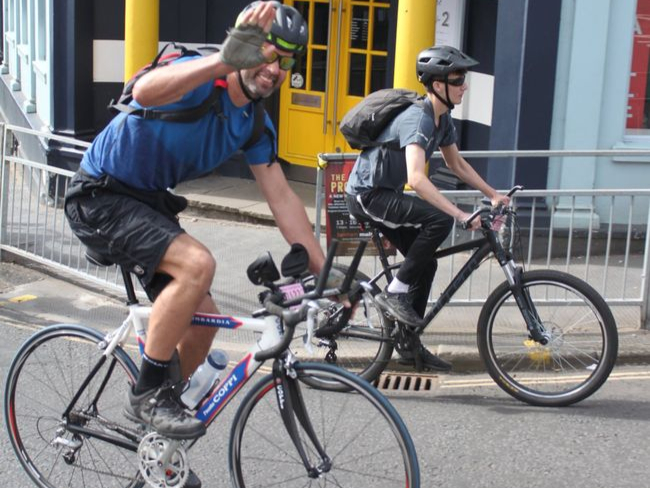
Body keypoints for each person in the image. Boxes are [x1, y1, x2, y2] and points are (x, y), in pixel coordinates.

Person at [64, 0, 326, 451]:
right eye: (268, 52)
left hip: (147, 203)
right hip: (100, 195)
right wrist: (222, 61)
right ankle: (147, 393)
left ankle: (157, 443)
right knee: (198, 262)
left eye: (287, 61)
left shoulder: (254, 123)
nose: (275, 68)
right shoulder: (200, 76)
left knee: (206, 322)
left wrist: (327, 275)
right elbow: (145, 92)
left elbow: (283, 198)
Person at [345, 45, 510, 372]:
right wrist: (460, 215)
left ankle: (408, 344)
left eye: (463, 78)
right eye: (457, 78)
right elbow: (416, 179)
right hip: (368, 194)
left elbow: (457, 165)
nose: (464, 85)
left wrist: (493, 194)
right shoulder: (417, 119)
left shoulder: (442, 119)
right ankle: (395, 292)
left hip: (384, 193)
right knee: (439, 221)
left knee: (427, 264)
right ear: (438, 85)